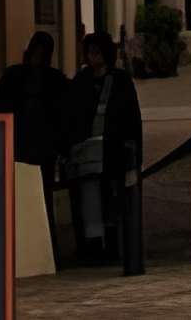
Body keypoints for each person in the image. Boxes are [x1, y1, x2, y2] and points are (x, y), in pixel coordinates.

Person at [66, 31, 143, 265]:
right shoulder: (81, 81)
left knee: (112, 200)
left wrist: (134, 155)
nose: (93, 57)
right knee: (89, 200)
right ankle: (93, 249)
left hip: (113, 152)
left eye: (97, 52)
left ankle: (111, 247)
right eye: (90, 52)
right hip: (87, 154)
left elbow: (132, 118)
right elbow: (70, 116)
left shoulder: (120, 81)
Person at [0, 32, 71, 237]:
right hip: (38, 151)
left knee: (24, 201)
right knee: (41, 201)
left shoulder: (13, 76)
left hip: (22, 148)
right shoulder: (54, 80)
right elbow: (63, 118)